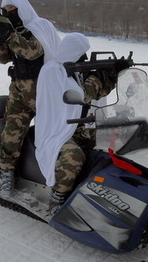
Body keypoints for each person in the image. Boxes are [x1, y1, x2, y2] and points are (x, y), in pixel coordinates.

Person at [34, 33, 120, 213]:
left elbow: (98, 92)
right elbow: (82, 94)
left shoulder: (78, 72)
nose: (85, 58)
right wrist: (97, 77)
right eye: (81, 54)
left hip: (82, 125)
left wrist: (111, 77)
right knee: (74, 157)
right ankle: (57, 199)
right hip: (57, 130)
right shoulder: (52, 71)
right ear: (72, 52)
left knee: (115, 147)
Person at [0, 0, 61, 198]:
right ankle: (7, 175)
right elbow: (2, 59)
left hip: (43, 92)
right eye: (6, 11)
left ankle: (57, 178)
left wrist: (10, 35)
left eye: (14, 10)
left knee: (52, 136)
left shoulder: (40, 26)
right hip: (18, 93)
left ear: (23, 9)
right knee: (11, 136)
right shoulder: (11, 30)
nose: (10, 14)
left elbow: (33, 51)